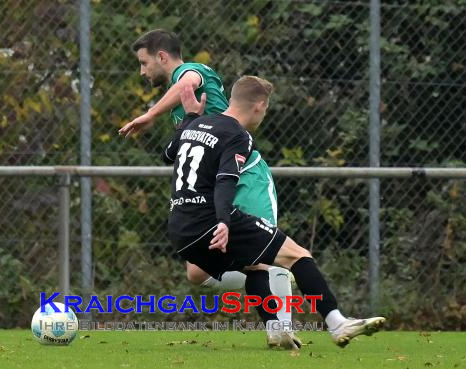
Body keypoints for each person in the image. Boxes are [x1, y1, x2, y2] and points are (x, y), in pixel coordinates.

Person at [163, 75, 385, 349]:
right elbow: (226, 179)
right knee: (297, 255)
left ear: (232, 99)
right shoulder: (238, 135)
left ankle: (277, 329)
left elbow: (168, 154)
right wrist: (223, 221)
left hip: (179, 228)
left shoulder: (196, 124)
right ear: (259, 106)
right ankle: (337, 322)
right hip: (208, 219)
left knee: (254, 265)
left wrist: (189, 116)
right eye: (266, 109)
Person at [118, 30, 295, 340]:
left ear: (162, 57)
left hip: (244, 176)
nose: (142, 72)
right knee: (198, 273)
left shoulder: (191, 72)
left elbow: (186, 85)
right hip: (212, 188)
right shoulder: (181, 99)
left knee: (264, 253)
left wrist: (150, 115)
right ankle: (274, 274)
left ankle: (282, 331)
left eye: (144, 64)